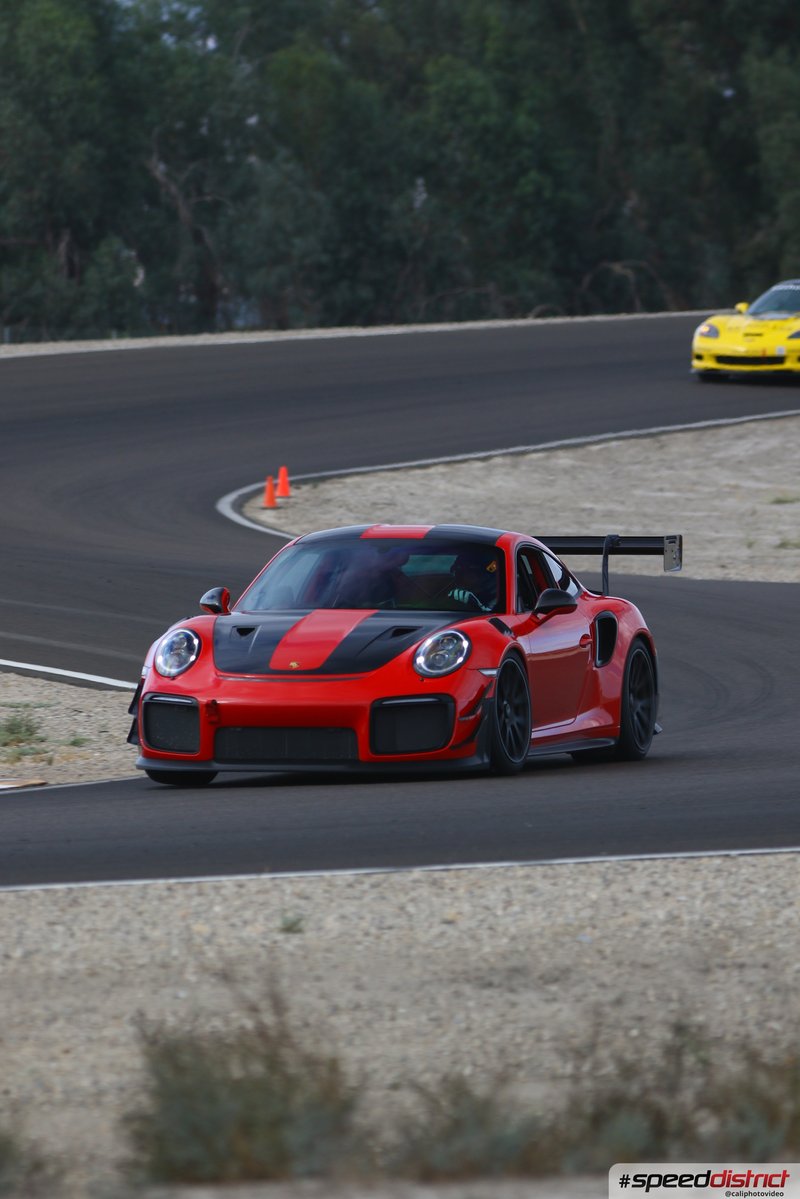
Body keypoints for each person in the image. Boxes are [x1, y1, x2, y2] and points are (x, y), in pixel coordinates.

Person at [445, 547, 499, 612]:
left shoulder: (503, 599)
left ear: (484, 576)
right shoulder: (450, 596)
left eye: (467, 571)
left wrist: (481, 609)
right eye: (458, 571)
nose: (459, 576)